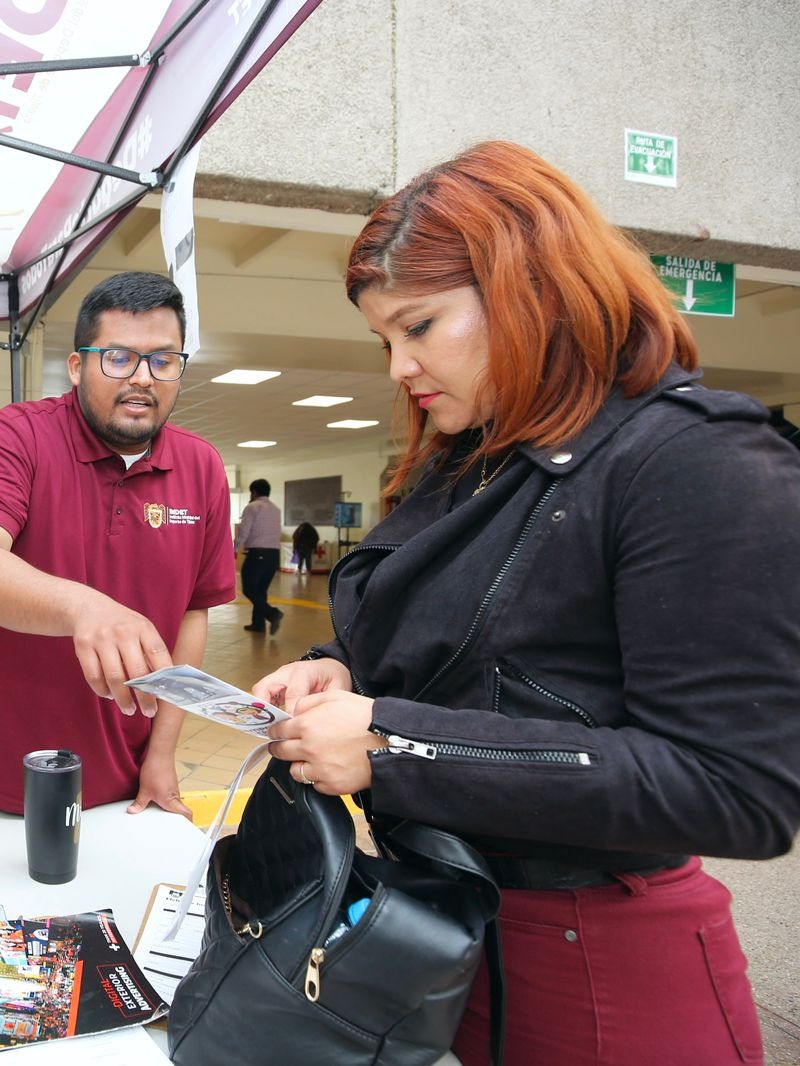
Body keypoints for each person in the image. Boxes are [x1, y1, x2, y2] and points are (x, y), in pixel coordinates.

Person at [250, 141, 800, 1066]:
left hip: (597, 968)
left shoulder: (696, 462)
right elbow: (481, 661)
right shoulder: (477, 460)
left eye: (419, 327)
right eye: (385, 339)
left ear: (530, 289)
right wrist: (336, 671)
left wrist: (389, 741)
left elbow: (734, 789)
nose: (399, 368)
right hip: (443, 932)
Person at [0, 271, 235, 816]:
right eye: (118, 358)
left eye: (163, 360)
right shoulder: (16, 436)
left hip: (125, 772)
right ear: (77, 367)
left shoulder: (202, 466)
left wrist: (162, 751)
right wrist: (84, 607)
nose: (142, 378)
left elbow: (194, 612)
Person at [234, 479, 284, 634]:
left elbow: (244, 531)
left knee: (249, 588)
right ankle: (258, 624)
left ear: (254, 492)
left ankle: (272, 613)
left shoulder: (252, 507)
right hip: (274, 555)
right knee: (261, 590)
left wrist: (234, 548)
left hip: (257, 554)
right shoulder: (276, 509)